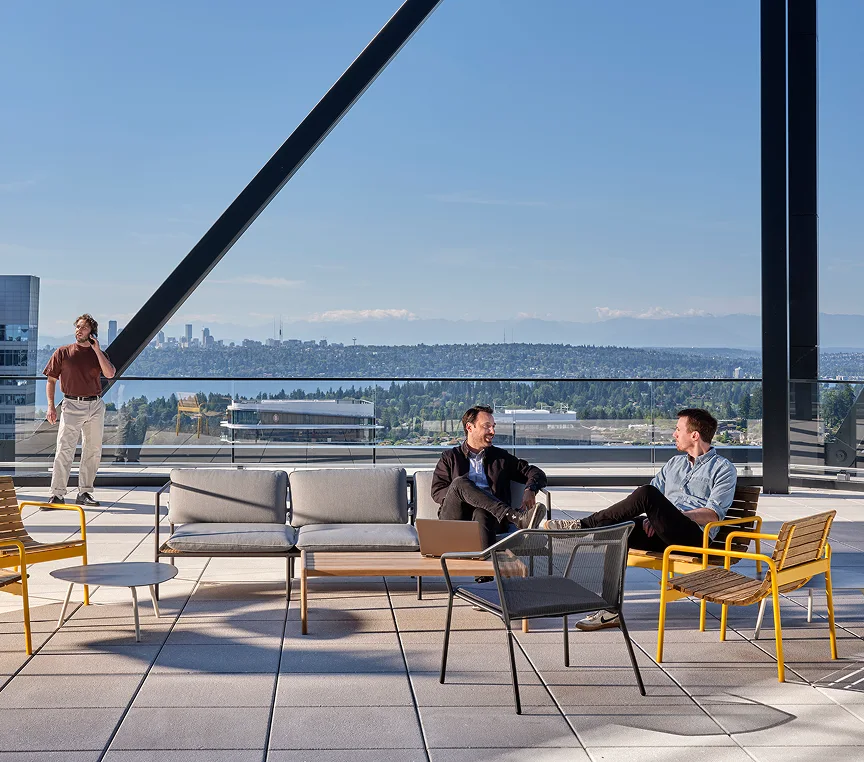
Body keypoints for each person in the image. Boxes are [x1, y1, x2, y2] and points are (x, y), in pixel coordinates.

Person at [546, 408, 737, 631]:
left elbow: (713, 513)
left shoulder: (723, 469)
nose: (674, 434)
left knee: (646, 492)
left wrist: (673, 516)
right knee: (615, 530)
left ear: (695, 435)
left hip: (694, 538)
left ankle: (582, 525)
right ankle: (610, 611)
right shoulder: (674, 463)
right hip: (662, 533)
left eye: (678, 430)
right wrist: (655, 517)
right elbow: (652, 500)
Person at [431, 404, 548, 549]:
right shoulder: (450, 457)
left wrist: (530, 489)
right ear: (469, 427)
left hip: (492, 519)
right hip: (456, 518)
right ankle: (515, 517)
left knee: (482, 512)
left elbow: (536, 473)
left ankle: (486, 571)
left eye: (493, 426)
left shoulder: (501, 458)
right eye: (487, 426)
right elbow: (437, 491)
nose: (492, 431)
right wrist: (468, 496)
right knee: (460, 483)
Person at [43, 314, 116, 508]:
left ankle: (84, 492)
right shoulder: (63, 352)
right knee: (64, 450)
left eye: (83, 328)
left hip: (95, 406)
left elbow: (110, 374)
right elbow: (51, 381)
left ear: (92, 332)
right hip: (71, 405)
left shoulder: (98, 354)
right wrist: (51, 406)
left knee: (92, 450)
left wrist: (97, 349)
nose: (78, 330)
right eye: (77, 327)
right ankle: (57, 494)